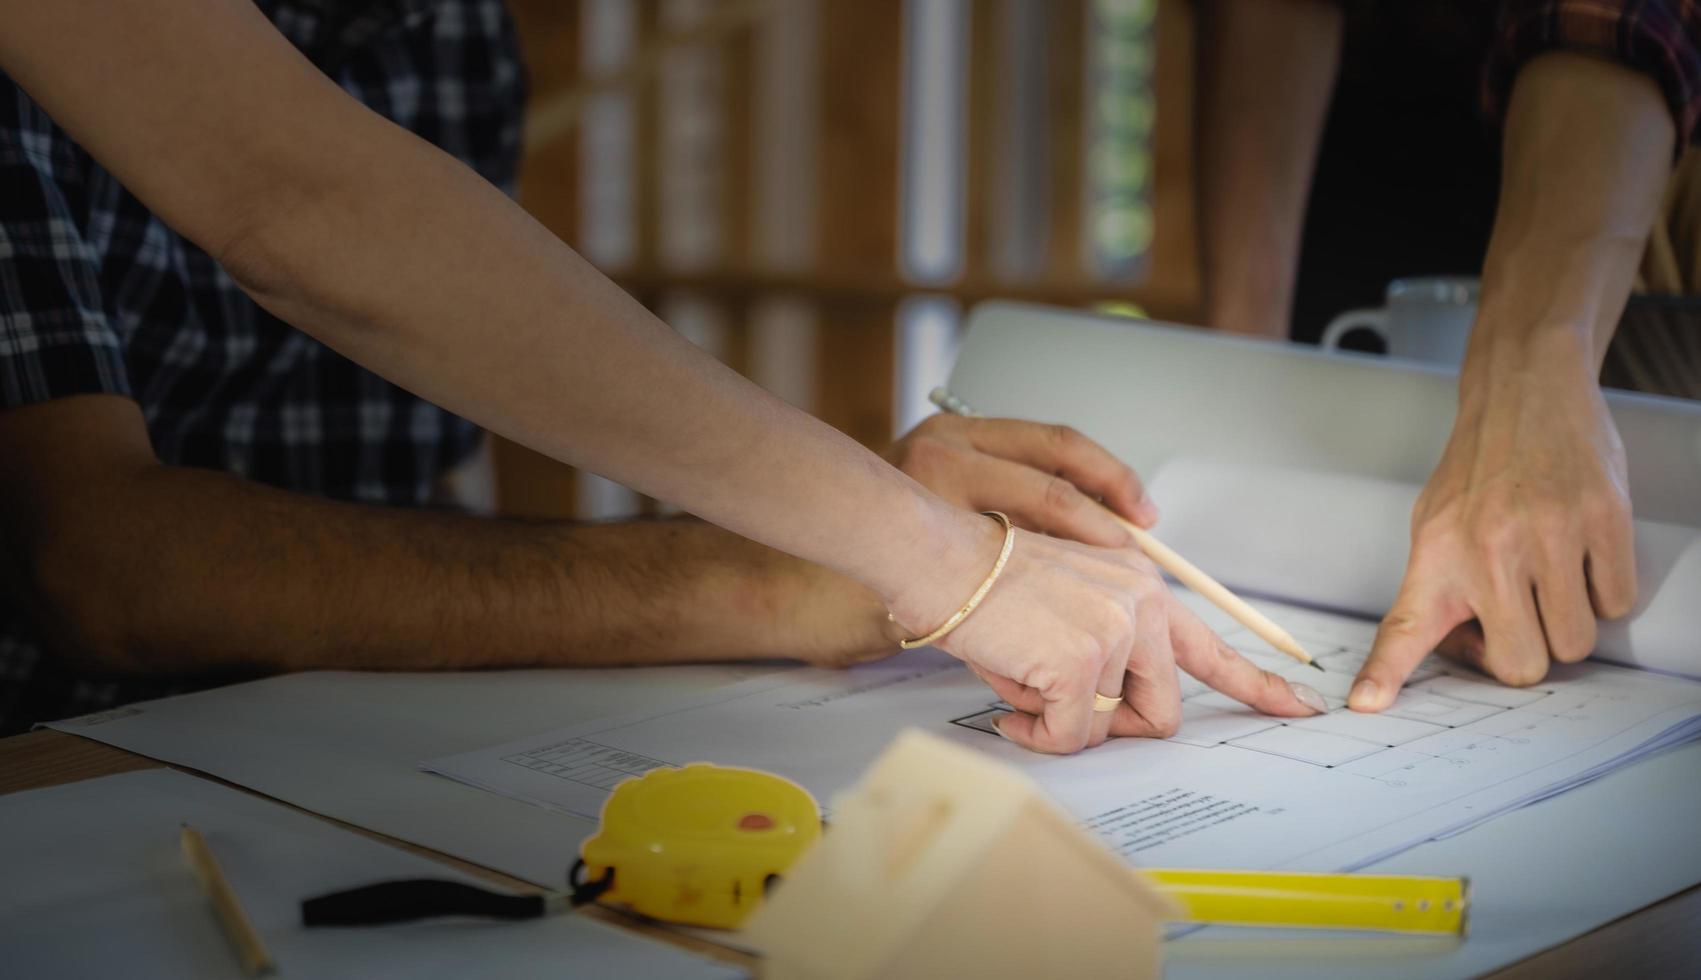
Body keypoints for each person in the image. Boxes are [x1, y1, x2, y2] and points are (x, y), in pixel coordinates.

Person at [0, 0, 1325, 745]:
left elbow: (371, 506)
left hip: (348, 757)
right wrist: (843, 560)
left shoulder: (442, 35)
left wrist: (848, 517)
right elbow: (102, 571)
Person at [1193, 0, 1690, 708]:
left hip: (1588, 158)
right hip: (1350, 160)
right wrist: (1237, 358)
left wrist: (1530, 376)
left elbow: (1614, 22)